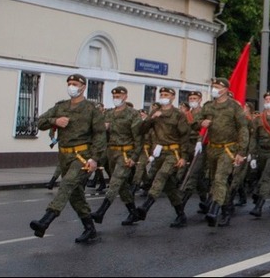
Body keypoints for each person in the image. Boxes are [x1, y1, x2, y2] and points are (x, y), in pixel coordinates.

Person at [29, 73, 106, 243]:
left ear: (83, 87)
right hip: (64, 155)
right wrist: (55, 120)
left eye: (75, 84)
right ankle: (90, 228)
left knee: (67, 184)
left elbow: (100, 135)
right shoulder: (61, 106)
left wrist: (95, 159)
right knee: (75, 194)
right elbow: (40, 122)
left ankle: (45, 221)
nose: (72, 86)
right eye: (69, 83)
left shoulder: (91, 109)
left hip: (82, 156)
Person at [134, 87, 190, 226]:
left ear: (172, 97)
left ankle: (146, 206)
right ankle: (181, 214)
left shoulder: (178, 114)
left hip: (173, 152)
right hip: (159, 153)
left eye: (166, 94)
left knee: (161, 175)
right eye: (162, 94)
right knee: (170, 187)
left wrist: (183, 157)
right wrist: (151, 118)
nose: (163, 96)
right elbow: (141, 130)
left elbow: (184, 137)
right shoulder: (155, 112)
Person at [198, 77, 249, 227]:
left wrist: (241, 151)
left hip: (228, 149)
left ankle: (214, 211)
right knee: (216, 182)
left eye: (217, 87)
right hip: (213, 148)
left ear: (225, 89)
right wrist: (201, 123)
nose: (214, 89)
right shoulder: (208, 106)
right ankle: (226, 210)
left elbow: (243, 128)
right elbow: (195, 121)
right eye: (213, 86)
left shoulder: (234, 107)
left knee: (220, 178)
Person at [90, 87, 143, 225]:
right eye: (114, 96)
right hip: (111, 153)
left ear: (125, 96)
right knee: (121, 185)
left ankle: (101, 212)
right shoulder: (108, 113)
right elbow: (101, 132)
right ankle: (133, 213)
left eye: (119, 95)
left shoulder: (133, 114)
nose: (116, 98)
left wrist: (134, 157)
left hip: (125, 154)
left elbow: (138, 138)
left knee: (115, 181)